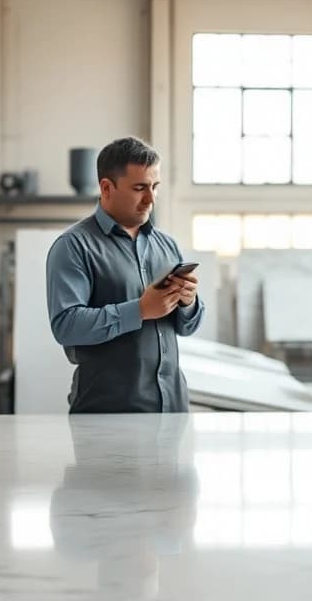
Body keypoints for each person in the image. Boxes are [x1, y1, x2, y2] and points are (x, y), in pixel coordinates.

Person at [46, 136, 204, 413]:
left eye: (155, 187)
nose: (151, 199)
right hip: (106, 414)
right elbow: (66, 326)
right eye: (140, 188)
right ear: (107, 188)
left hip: (173, 411)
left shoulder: (166, 245)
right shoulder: (73, 247)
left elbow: (186, 328)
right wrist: (140, 310)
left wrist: (188, 302)